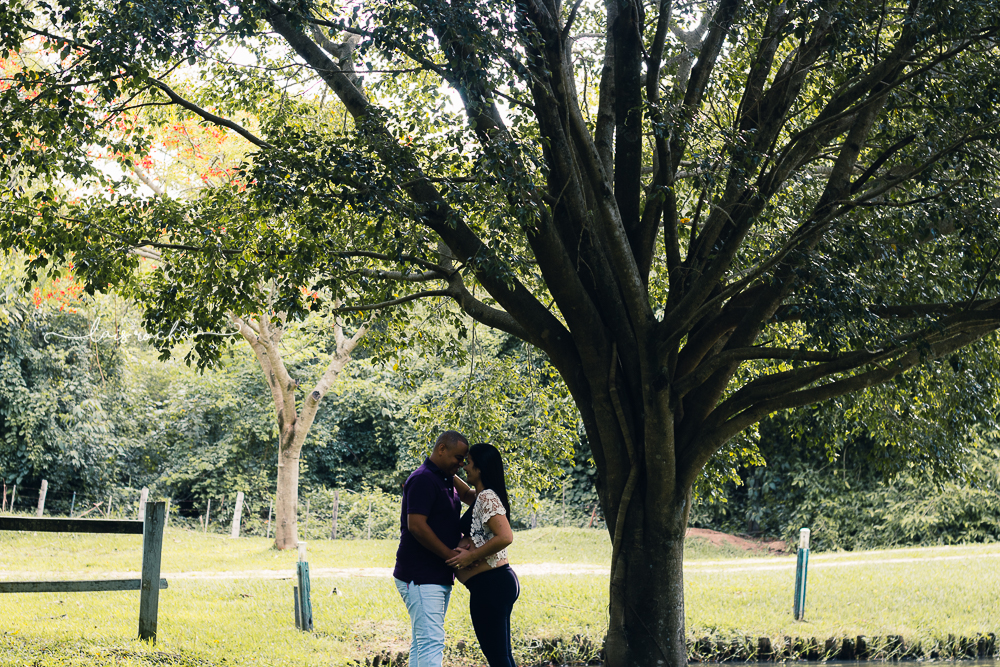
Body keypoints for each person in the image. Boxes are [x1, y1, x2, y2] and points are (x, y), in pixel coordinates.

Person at [393, 430, 470, 667]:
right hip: (420, 574)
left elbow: (471, 497)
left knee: (423, 642)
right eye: (458, 457)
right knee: (431, 642)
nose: (461, 464)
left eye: (464, 460)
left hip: (434, 574)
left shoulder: (444, 478)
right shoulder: (424, 479)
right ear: (441, 449)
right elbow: (416, 526)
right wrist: (451, 556)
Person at [447, 443, 519, 667]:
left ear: (480, 468)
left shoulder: (487, 497)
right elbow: (466, 494)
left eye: (467, 462)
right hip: (493, 584)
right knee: (502, 656)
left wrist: (470, 556)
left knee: (498, 658)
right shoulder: (481, 496)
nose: (464, 467)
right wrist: (448, 472)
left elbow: (505, 536)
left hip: (491, 585)